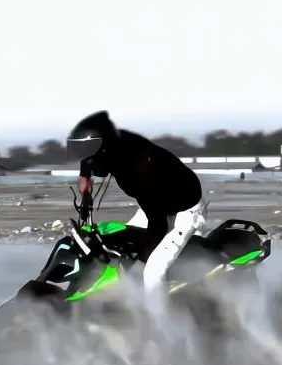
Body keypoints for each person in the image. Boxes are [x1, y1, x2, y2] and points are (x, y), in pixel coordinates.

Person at [67, 111, 205, 292]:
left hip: (184, 212)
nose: (88, 161)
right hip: (155, 205)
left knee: (151, 273)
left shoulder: (140, 169)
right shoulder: (116, 141)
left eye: (91, 158)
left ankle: (160, 318)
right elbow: (90, 152)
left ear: (104, 151)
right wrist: (84, 175)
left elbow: (158, 225)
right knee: (122, 249)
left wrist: (139, 265)